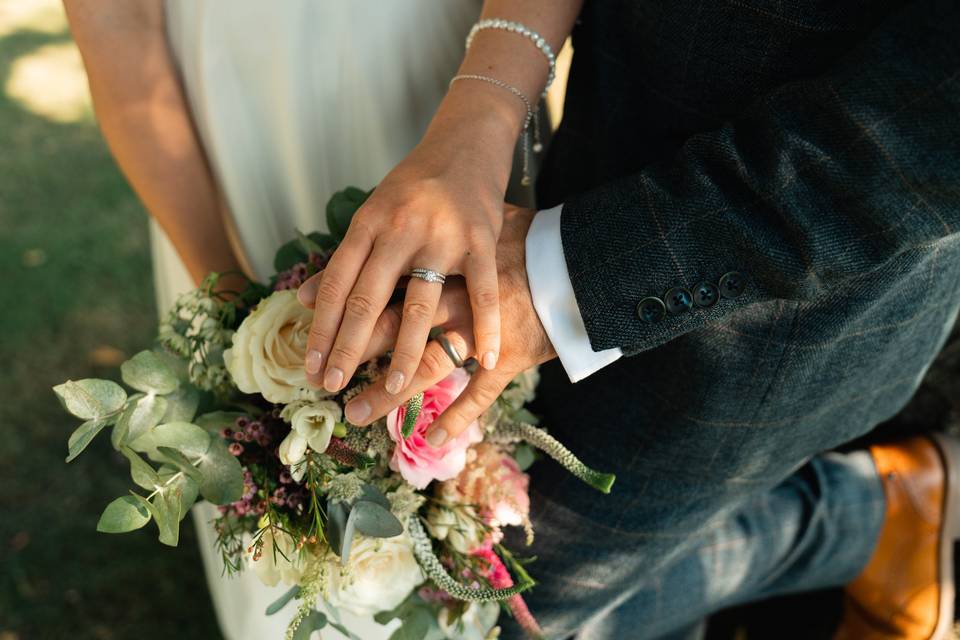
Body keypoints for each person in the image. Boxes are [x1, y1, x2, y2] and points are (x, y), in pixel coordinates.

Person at [297, 0, 960, 638]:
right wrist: (482, 112)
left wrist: (570, 279)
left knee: (494, 610)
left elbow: (923, 127)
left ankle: (863, 520)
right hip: (591, 141)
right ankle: (878, 518)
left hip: (764, 313)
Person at [64, 1, 488, 638]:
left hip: (451, 86)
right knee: (298, 542)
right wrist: (239, 309)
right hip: (232, 115)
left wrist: (490, 116)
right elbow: (111, 19)